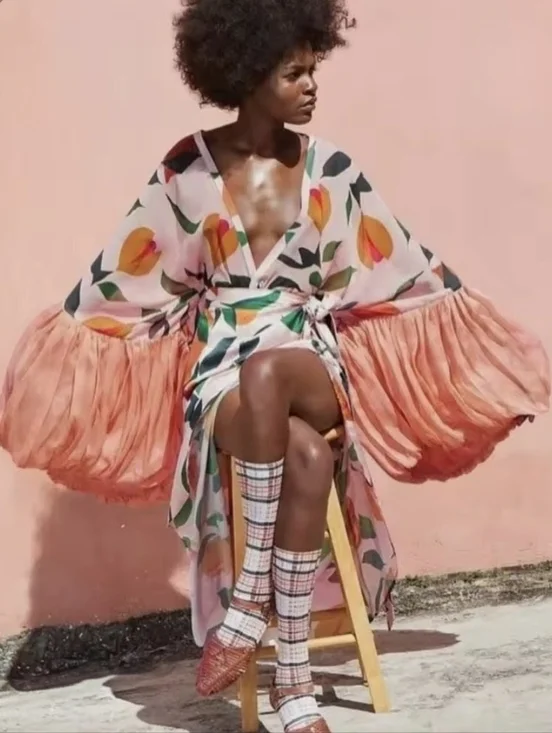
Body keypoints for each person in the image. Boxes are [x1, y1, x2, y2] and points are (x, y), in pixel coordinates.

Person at [0, 0, 549, 731]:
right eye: (294, 73)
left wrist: (486, 376)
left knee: (271, 373)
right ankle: (293, 688)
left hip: (309, 360)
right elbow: (124, 280)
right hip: (221, 372)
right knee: (304, 456)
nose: (311, 86)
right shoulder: (186, 172)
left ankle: (248, 599)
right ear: (248, 73)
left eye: (313, 69)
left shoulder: (333, 172)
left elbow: (410, 276)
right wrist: (52, 377)